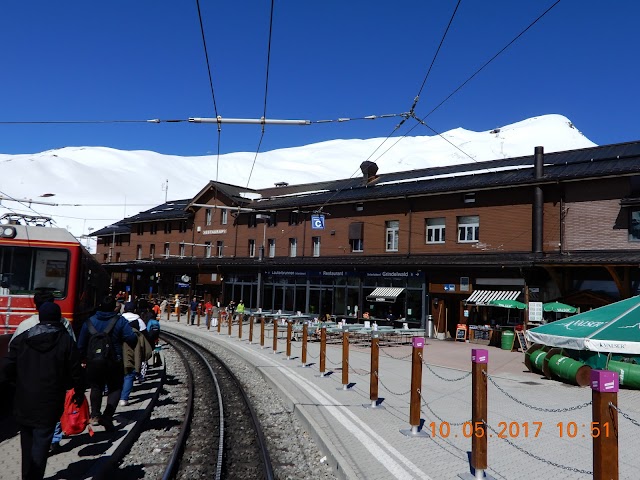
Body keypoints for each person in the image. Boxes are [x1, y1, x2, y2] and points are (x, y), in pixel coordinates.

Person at [2, 302, 84, 480]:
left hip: (23, 400)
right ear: (58, 318)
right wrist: (78, 391)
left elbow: (6, 366)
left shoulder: (22, 339)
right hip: (50, 401)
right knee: (42, 441)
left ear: (40, 317)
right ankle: (35, 476)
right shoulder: (65, 341)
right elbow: (76, 371)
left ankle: (27, 476)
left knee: (27, 441)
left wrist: (13, 385)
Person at [9, 291, 76, 455]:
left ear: (35, 305)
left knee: (28, 438)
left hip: (26, 391)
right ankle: (52, 443)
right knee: (47, 425)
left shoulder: (24, 326)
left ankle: (29, 469)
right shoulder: (64, 327)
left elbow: (11, 354)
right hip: (52, 388)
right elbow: (73, 354)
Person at [77, 296, 137, 432]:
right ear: (113, 308)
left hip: (93, 361)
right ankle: (108, 416)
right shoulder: (120, 321)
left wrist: (82, 359)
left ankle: (95, 415)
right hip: (113, 360)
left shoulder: (90, 321)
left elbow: (80, 344)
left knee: (96, 387)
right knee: (115, 388)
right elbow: (131, 338)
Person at [120, 319, 152, 406]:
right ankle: (124, 398)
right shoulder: (138, 334)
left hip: (119, 359)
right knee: (129, 377)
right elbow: (148, 351)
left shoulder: (119, 331)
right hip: (132, 360)